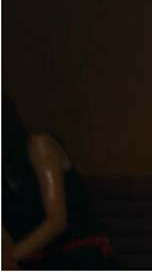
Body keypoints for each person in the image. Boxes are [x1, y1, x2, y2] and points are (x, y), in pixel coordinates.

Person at [1, 96, 115, 269]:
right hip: (36, 260)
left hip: (79, 253)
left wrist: (11, 257)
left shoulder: (39, 146)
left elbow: (56, 221)